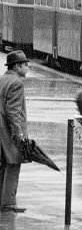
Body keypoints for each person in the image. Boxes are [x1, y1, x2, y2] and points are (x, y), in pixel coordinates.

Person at [0, 51, 31, 213]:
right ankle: (9, 204)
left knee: (3, 166)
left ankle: (3, 201)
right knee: (13, 164)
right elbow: (13, 112)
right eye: (25, 65)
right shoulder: (16, 83)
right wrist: (18, 134)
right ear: (17, 66)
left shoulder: (2, 79)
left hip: (1, 131)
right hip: (8, 132)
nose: (27, 68)